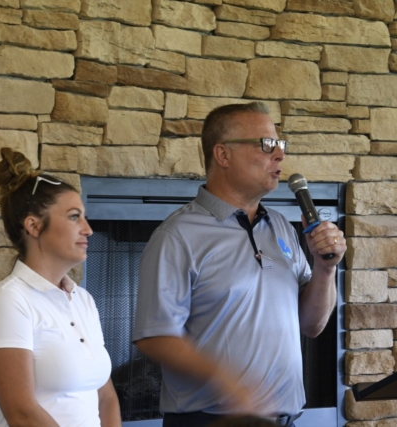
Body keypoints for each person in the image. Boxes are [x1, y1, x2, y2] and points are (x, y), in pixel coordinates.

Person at [132, 102, 346, 427]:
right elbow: (154, 336)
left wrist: (325, 268)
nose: (279, 155)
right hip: (210, 422)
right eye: (266, 144)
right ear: (223, 155)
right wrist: (228, 384)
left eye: (280, 144)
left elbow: (312, 326)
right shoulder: (177, 235)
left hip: (283, 419)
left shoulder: (281, 226)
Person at [0, 148, 121, 427]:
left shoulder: (83, 300)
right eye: (74, 216)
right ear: (34, 226)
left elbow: (106, 398)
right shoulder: (6, 302)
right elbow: (22, 414)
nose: (88, 229)